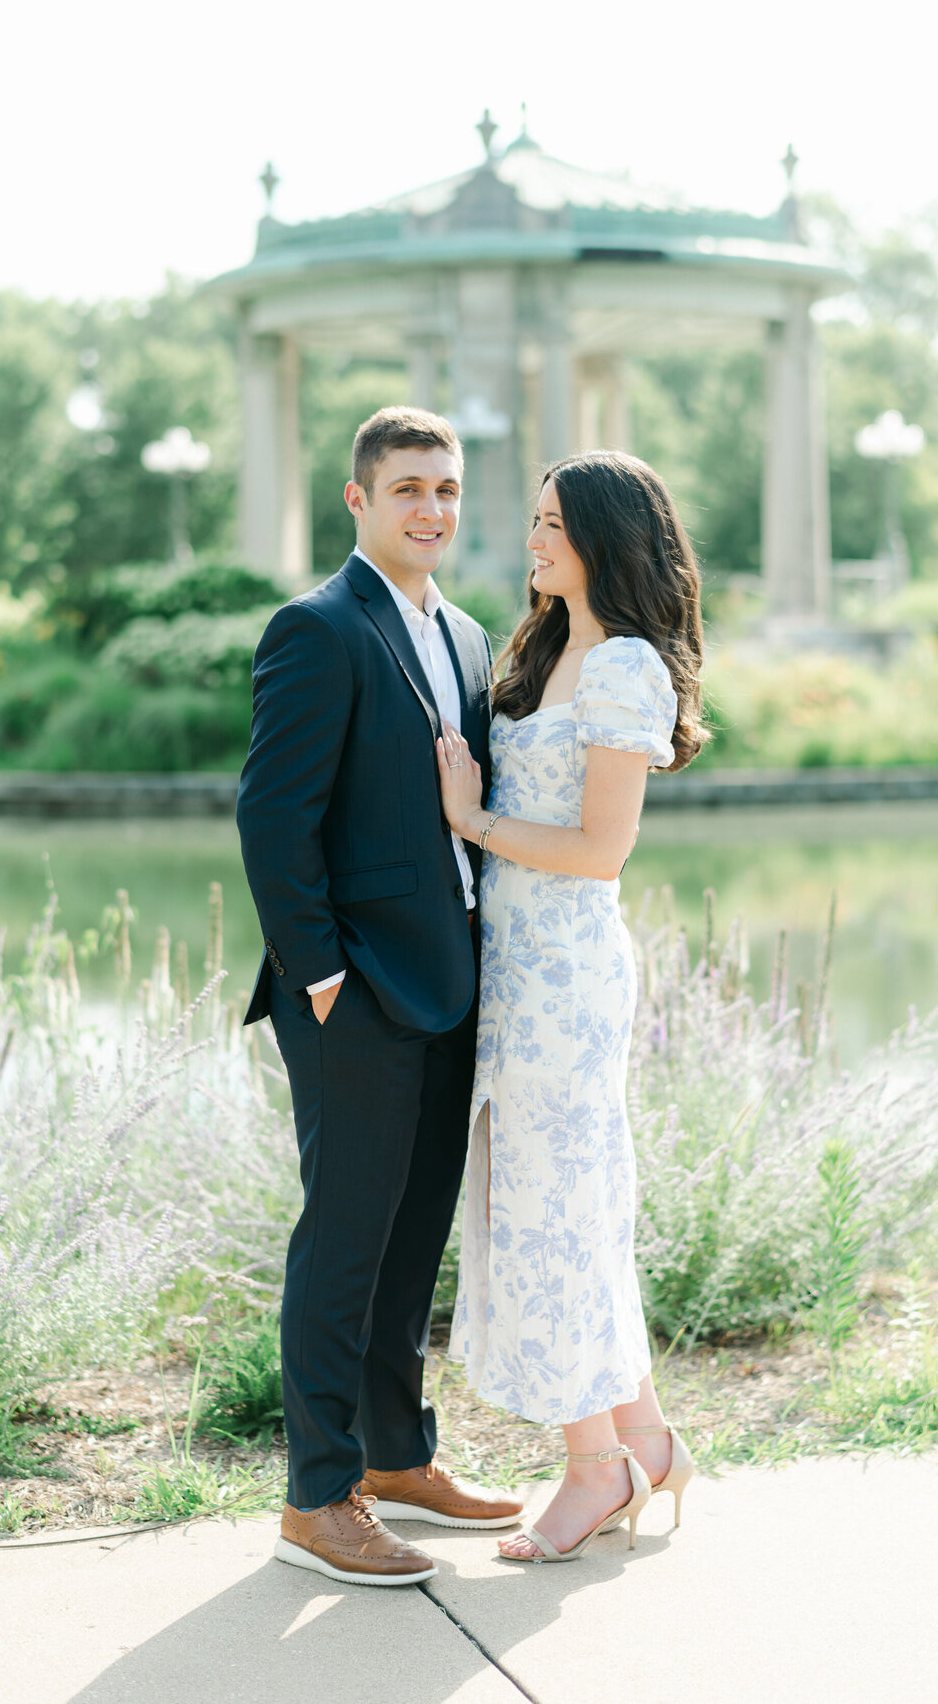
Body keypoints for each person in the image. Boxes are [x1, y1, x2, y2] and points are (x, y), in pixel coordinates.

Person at [237, 406, 522, 1588]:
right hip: (351, 991)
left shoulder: (463, 634)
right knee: (345, 1240)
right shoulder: (317, 628)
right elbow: (273, 817)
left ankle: (398, 1458)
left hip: (449, 979)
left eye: (448, 490)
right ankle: (317, 1495)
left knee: (412, 1242)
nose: (432, 510)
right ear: (358, 499)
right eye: (409, 488)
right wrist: (320, 978)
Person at [436, 449, 708, 1564]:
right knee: (549, 1204)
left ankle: (595, 1468)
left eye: (554, 523)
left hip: (566, 981)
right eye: (535, 520)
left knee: (552, 1210)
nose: (534, 539)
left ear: (606, 538)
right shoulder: (545, 652)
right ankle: (643, 1434)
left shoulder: (624, 669)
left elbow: (602, 850)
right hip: (512, 973)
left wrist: (474, 821)